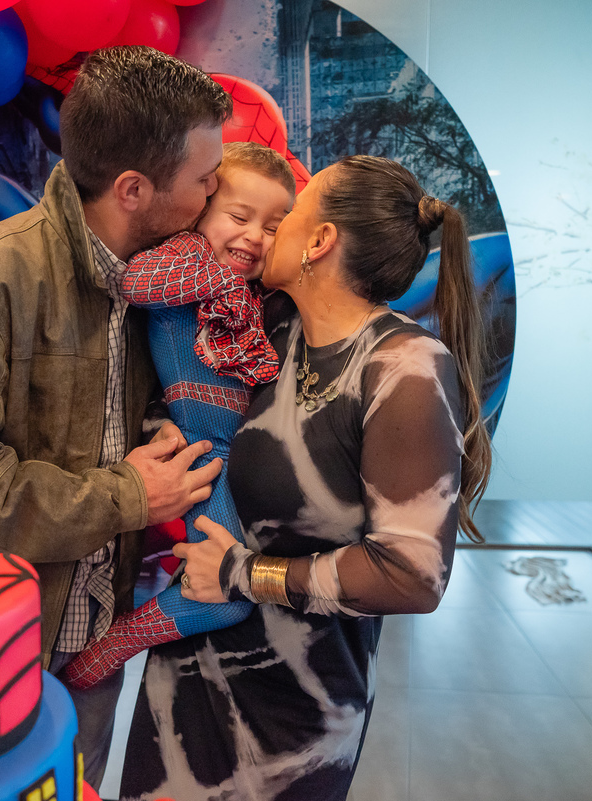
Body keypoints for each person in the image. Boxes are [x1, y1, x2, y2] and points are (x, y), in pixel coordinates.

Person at [0, 46, 232, 788]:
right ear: (134, 188)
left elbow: (106, 423)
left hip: (92, 644)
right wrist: (128, 496)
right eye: (204, 182)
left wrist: (164, 428)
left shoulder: (157, 284)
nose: (213, 196)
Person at [118, 155, 493, 801]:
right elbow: (205, 407)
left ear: (319, 241)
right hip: (183, 676)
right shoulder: (274, 327)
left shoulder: (403, 367)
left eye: (289, 214)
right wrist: (165, 433)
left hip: (294, 716)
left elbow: (412, 574)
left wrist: (242, 574)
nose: (269, 232)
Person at [62, 142, 296, 689]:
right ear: (202, 210)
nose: (254, 236)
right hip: (207, 456)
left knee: (235, 578)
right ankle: (115, 645)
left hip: (241, 456)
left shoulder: (254, 291)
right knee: (227, 603)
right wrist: (220, 280)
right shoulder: (190, 258)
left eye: (273, 226)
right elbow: (136, 283)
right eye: (239, 217)